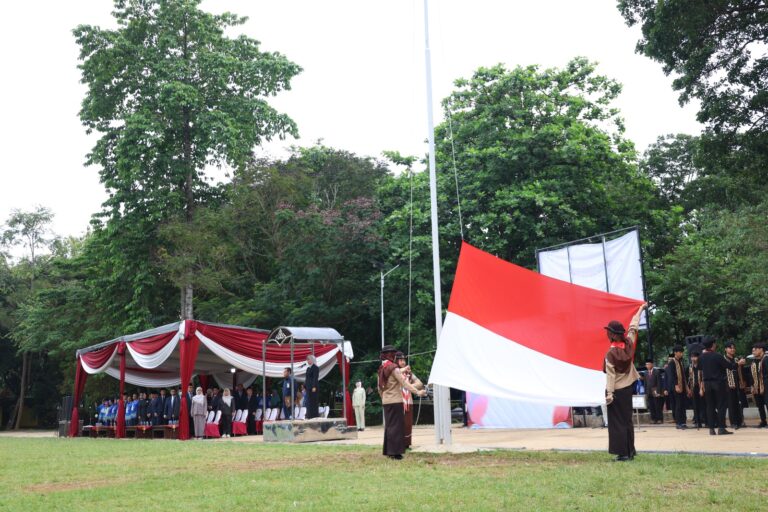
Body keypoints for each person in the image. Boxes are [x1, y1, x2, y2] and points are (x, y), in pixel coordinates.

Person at [604, 304, 645, 462]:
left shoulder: (611, 353)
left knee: (618, 423)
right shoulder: (628, 344)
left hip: (616, 391)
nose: (607, 334)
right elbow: (633, 328)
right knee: (627, 420)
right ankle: (631, 450)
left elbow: (610, 376)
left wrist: (609, 394)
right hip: (628, 388)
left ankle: (623, 454)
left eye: (608, 332)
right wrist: (640, 309)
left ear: (613, 335)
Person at [378, 345, 426, 460]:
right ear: (390, 355)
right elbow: (404, 383)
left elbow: (379, 387)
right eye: (394, 354)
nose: (395, 356)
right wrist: (418, 393)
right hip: (396, 401)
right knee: (397, 427)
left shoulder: (382, 368)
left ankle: (389, 451)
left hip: (386, 401)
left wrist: (383, 398)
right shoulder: (393, 368)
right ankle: (396, 453)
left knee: (389, 427)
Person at [700, 336, 734, 435]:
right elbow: (729, 366)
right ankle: (721, 428)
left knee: (710, 406)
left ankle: (711, 429)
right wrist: (738, 364)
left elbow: (699, 368)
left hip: (707, 384)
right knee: (721, 405)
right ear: (713, 344)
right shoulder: (717, 355)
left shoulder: (702, 357)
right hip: (718, 383)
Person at [396, 352, 423, 449]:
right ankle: (398, 443)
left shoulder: (409, 373)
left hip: (409, 401)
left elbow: (419, 383)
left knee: (408, 423)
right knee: (399, 423)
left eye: (404, 360)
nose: (403, 362)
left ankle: (407, 443)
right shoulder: (395, 371)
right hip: (398, 401)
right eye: (401, 360)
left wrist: (408, 386)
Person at [665, 345, 688, 429]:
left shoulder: (681, 362)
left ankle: (683, 422)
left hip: (683, 386)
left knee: (683, 404)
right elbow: (672, 376)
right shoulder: (672, 363)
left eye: (682, 352)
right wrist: (676, 385)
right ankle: (678, 423)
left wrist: (687, 388)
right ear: (675, 353)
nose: (681, 353)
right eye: (680, 352)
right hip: (676, 386)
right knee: (678, 405)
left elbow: (683, 376)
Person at [723, 342, 746, 429]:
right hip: (728, 384)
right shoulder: (723, 359)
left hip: (738, 384)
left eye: (733, 348)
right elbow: (729, 368)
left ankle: (740, 421)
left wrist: (742, 381)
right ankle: (733, 422)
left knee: (739, 403)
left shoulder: (736, 359)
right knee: (731, 403)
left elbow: (740, 371)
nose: (732, 349)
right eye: (730, 348)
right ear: (726, 349)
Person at [752, 343, 768, 428]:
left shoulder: (766, 359)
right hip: (758, 385)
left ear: (761, 349)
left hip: (765, 384)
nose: (755, 351)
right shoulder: (755, 361)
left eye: (756, 349)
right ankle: (763, 421)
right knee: (760, 405)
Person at [642, 359, 664, 424]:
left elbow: (659, 382)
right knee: (651, 406)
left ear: (652, 364)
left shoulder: (656, 372)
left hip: (655, 391)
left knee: (657, 405)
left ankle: (659, 419)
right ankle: (653, 419)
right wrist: (645, 392)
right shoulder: (645, 373)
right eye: (646, 364)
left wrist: (659, 392)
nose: (647, 366)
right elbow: (645, 383)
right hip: (649, 392)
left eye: (648, 364)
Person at [687, 352, 705, 428]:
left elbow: (703, 378)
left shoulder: (701, 366)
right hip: (693, 387)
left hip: (701, 387)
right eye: (692, 357)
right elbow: (688, 379)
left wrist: (701, 388)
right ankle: (698, 422)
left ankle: (704, 420)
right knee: (695, 405)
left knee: (703, 404)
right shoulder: (690, 367)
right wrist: (689, 390)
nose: (693, 359)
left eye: (695, 357)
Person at [305, 355, 320, 419]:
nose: (308, 361)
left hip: (313, 387)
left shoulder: (315, 367)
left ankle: (314, 415)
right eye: (307, 360)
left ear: (312, 360)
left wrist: (314, 386)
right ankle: (309, 415)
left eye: (309, 359)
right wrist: (305, 385)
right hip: (308, 387)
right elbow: (307, 378)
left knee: (313, 401)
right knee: (308, 402)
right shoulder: (308, 368)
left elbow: (315, 378)